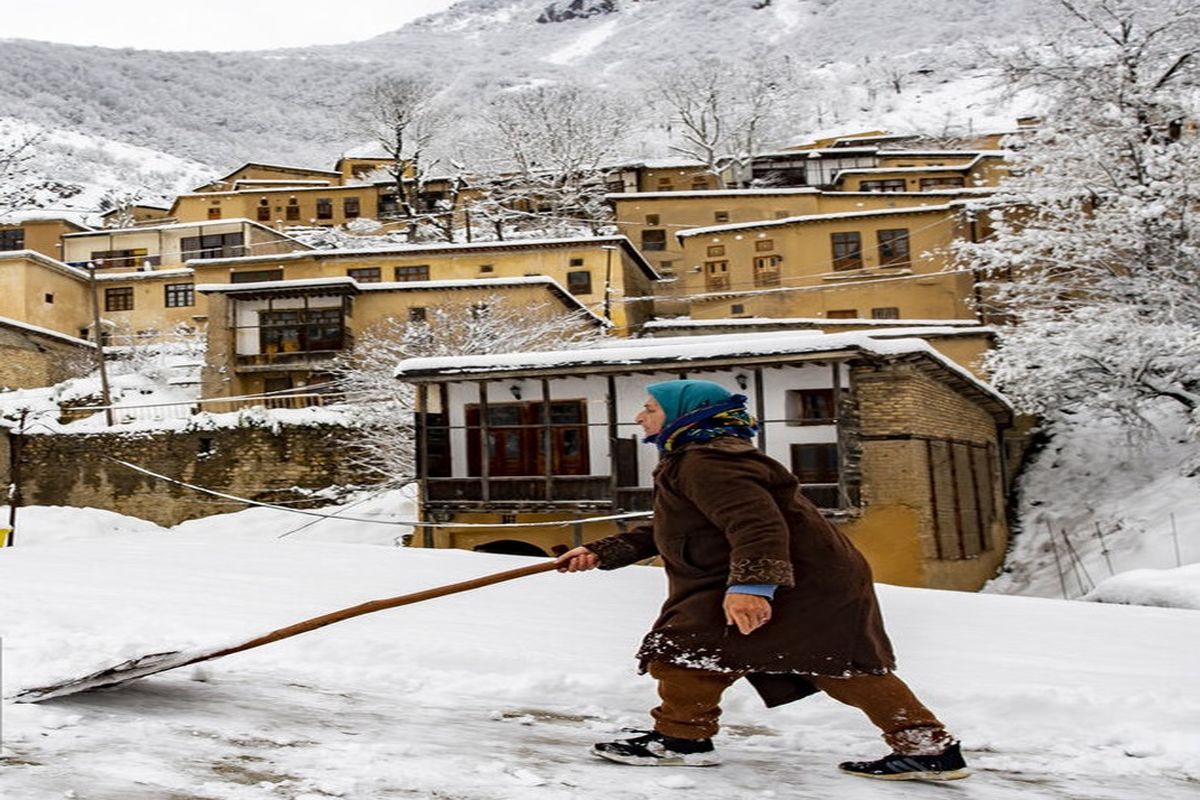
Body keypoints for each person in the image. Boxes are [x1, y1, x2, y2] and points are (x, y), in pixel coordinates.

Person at [557, 379, 969, 781]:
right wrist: (603, 550)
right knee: (725, 655)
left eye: (650, 408)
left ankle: (680, 741)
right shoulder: (700, 456)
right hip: (790, 576)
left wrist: (752, 587)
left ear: (686, 414)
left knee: (696, 651)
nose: (639, 416)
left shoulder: (708, 461)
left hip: (796, 582)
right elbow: (677, 527)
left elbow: (756, 526)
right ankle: (926, 747)